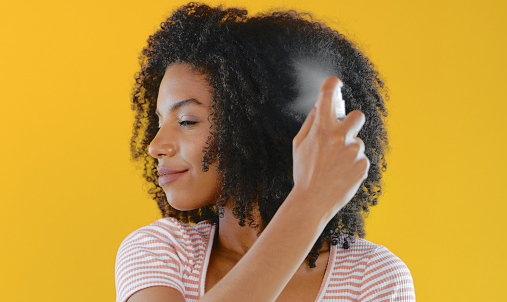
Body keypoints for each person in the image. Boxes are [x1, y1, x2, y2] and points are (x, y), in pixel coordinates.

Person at [116, 2, 415, 301]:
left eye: (186, 121)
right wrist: (309, 205)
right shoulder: (160, 251)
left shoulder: (372, 277)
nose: (156, 146)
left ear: (258, 130)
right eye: (159, 121)